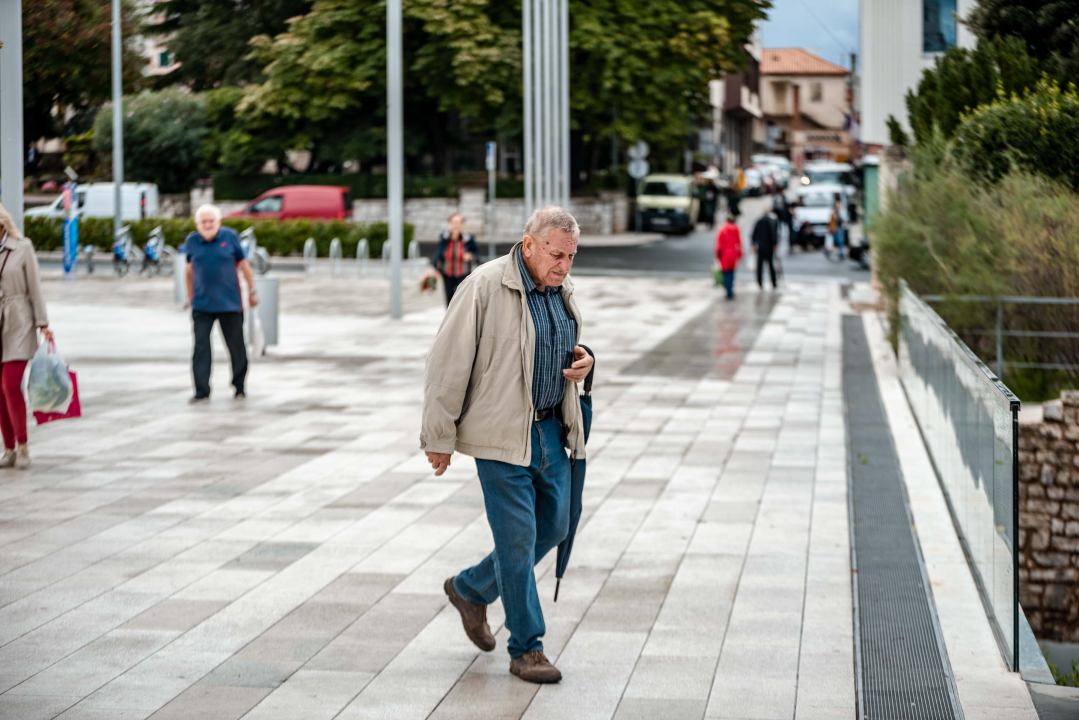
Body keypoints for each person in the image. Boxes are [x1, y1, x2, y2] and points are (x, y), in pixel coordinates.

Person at [421, 206, 593, 685]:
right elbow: (446, 364)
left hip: (550, 431)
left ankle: (471, 589)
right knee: (516, 541)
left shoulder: (560, 288)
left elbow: (558, 345)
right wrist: (438, 436)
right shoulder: (483, 285)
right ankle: (527, 647)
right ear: (529, 243)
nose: (564, 265)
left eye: (571, 257)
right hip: (498, 436)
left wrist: (585, 360)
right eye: (557, 255)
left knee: (556, 526)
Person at [183, 205, 258, 403]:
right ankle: (201, 390)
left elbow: (244, 265)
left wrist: (252, 291)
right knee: (201, 348)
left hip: (230, 304)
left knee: (236, 347)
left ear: (219, 222)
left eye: (211, 221)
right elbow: (189, 271)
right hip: (202, 305)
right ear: (197, 224)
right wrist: (190, 297)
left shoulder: (230, 237)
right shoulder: (192, 241)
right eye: (203, 222)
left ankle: (239, 386)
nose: (208, 225)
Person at [0, 202, 52, 469]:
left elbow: (35, 287)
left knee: (10, 384)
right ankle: (8, 449)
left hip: (19, 321)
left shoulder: (23, 247)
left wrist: (42, 323)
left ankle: (22, 447)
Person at [431, 213, 481, 305]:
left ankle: (462, 314)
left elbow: (476, 252)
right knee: (449, 298)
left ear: (462, 224)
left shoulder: (468, 238)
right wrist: (436, 268)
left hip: (463, 273)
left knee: (462, 298)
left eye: (458, 222)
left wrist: (470, 256)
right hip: (447, 273)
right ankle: (450, 314)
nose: (456, 225)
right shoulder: (444, 237)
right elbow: (438, 253)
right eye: (453, 222)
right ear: (449, 224)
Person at [715, 215, 743, 300]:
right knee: (731, 272)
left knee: (726, 273)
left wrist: (717, 255)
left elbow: (719, 245)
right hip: (733, 254)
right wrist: (739, 254)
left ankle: (728, 291)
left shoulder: (722, 229)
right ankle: (731, 289)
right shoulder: (736, 229)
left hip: (725, 255)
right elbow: (739, 242)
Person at [751, 209, 779, 290]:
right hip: (769, 247)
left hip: (760, 247)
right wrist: (775, 244)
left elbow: (753, 234)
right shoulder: (771, 222)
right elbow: (774, 234)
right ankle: (773, 282)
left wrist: (753, 244)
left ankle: (759, 282)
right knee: (770, 265)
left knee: (760, 266)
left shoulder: (758, 222)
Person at [828, 195, 848, 260]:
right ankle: (831, 251)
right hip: (836, 228)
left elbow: (844, 219)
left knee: (839, 241)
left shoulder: (840, 211)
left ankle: (840, 253)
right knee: (838, 241)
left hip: (839, 227)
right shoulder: (835, 212)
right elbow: (834, 220)